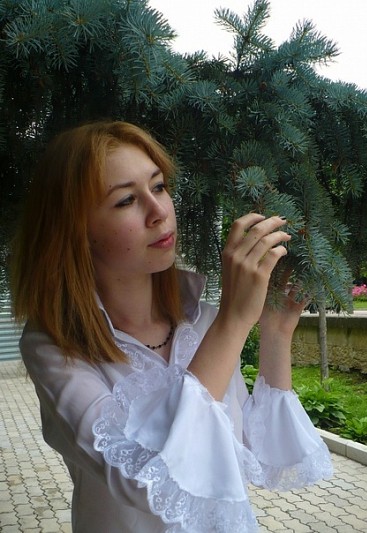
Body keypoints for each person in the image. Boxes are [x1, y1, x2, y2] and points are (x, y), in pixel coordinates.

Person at [11, 120, 332, 533]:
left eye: (159, 186)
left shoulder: (202, 320)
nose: (159, 211)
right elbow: (145, 479)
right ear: (77, 230)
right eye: (127, 200)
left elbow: (257, 450)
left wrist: (276, 331)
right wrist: (234, 322)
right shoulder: (53, 346)